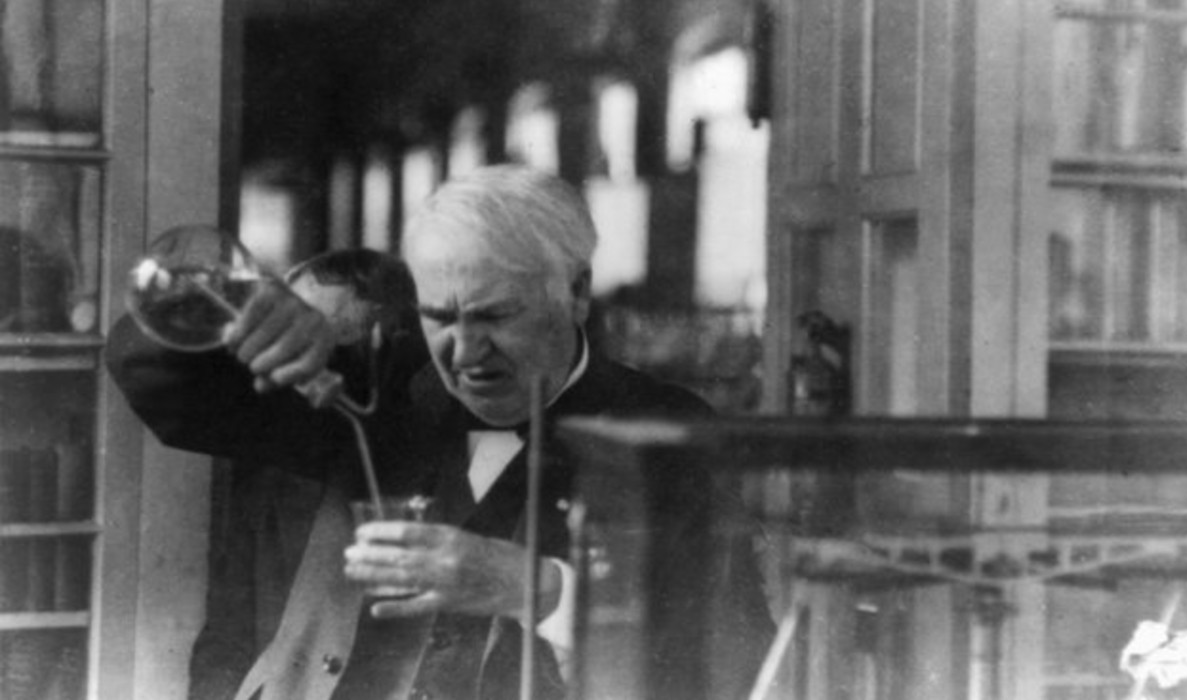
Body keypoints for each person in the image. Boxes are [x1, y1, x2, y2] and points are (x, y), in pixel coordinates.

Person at [106, 165, 773, 700]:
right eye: (440, 318)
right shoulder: (373, 386)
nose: (465, 353)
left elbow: (730, 657)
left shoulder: (662, 429)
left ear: (576, 291)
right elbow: (162, 386)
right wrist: (238, 303)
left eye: (497, 316)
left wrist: (542, 591)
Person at [187, 249, 428, 700]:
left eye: (320, 345)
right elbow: (227, 635)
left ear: (384, 348)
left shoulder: (442, 471)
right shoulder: (275, 468)